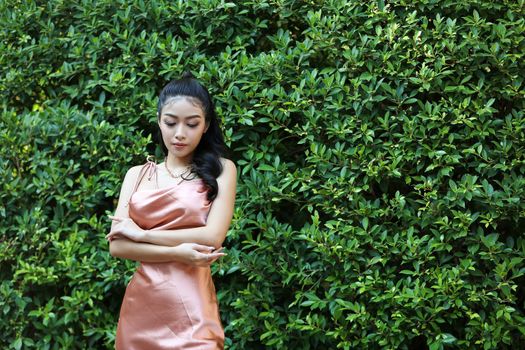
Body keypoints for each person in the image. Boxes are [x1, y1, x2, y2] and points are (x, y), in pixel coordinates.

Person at [106, 71, 237, 349]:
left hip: (194, 309)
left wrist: (142, 235)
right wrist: (177, 253)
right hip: (142, 308)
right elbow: (118, 247)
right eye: (170, 122)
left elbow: (212, 237)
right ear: (159, 121)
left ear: (206, 125)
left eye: (192, 124)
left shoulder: (222, 170)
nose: (180, 134)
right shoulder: (136, 175)